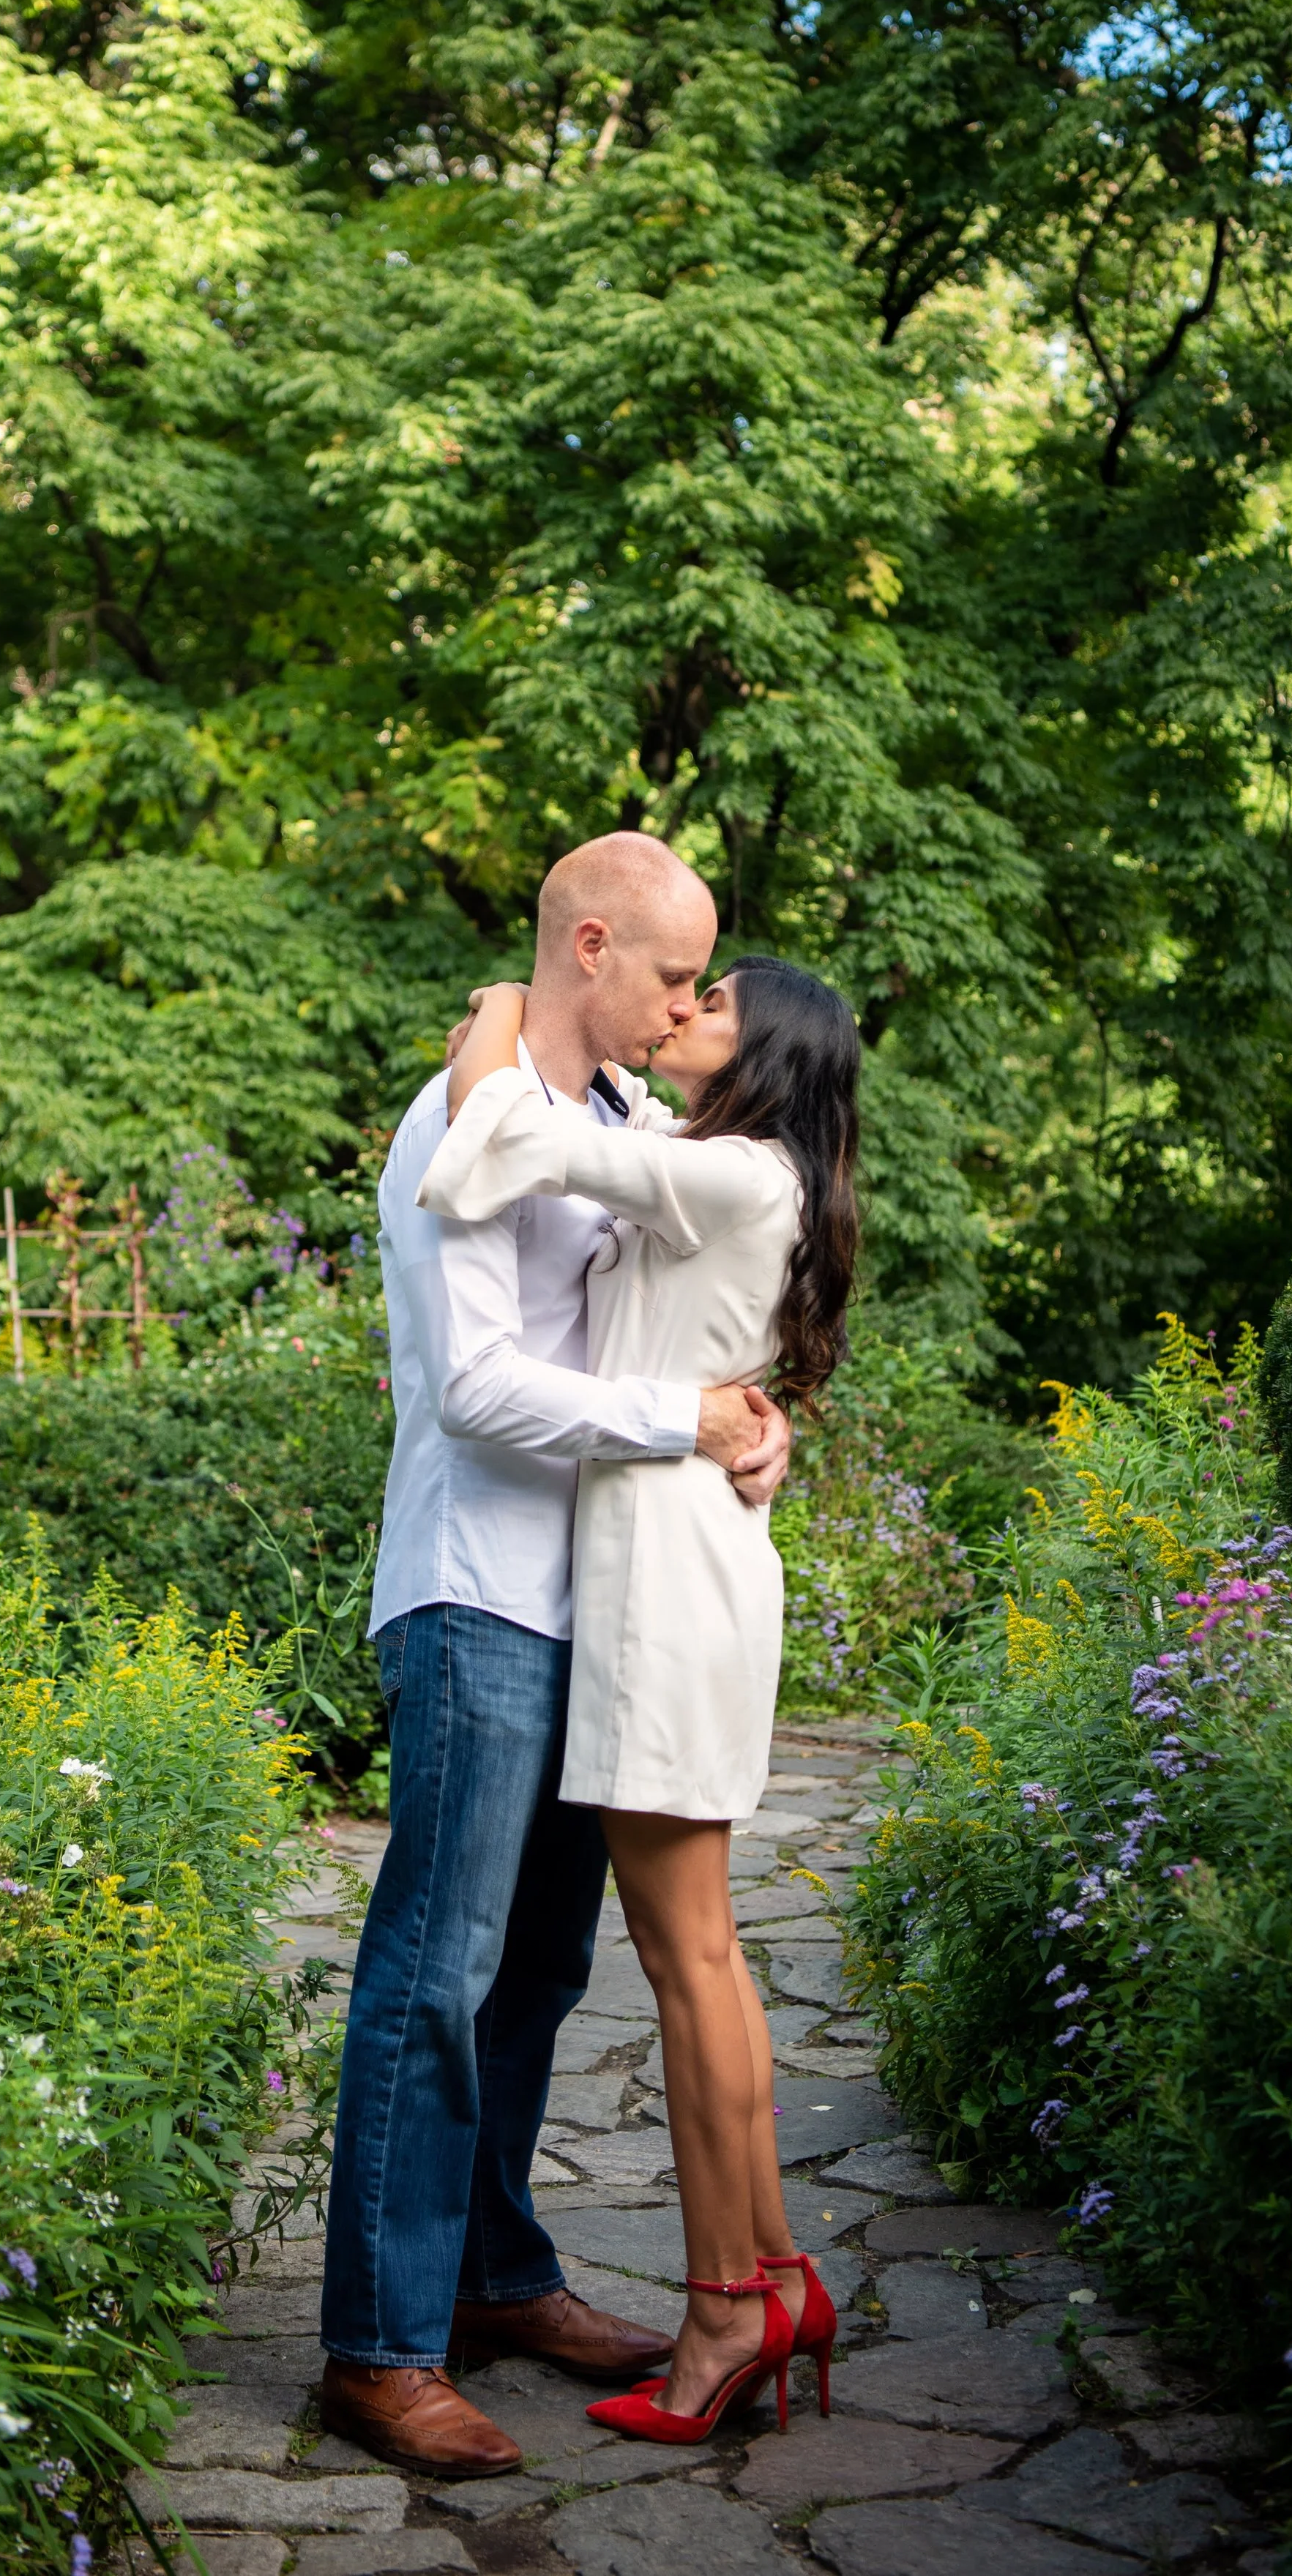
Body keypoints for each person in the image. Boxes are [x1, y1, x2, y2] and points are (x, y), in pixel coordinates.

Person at [317, 834, 794, 2477]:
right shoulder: (462, 1118)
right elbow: (475, 1389)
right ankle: (378, 2349)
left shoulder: (623, 1118)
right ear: (590, 946)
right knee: (435, 1978)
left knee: (537, 1975)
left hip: (597, 1607)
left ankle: (496, 2278)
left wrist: (752, 1429)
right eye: (673, 975)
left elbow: (690, 1311)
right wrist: (680, 1421)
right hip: (478, 1597)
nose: (684, 1005)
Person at [419, 952, 861, 2442]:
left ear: (767, 1053)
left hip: (666, 1575)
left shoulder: (727, 1170)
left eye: (712, 1002)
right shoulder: (732, 1167)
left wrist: (499, 1004)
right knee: (707, 1958)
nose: (682, 1011)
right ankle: (775, 2276)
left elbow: (501, 1135)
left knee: (687, 1965)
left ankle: (725, 2310)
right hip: (688, 1554)